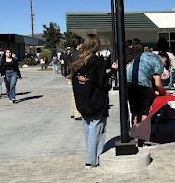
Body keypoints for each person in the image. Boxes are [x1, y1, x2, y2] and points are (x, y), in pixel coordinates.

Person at [71, 33, 116, 169]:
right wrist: (112, 71)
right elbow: (103, 83)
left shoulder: (77, 61)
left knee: (89, 129)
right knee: (97, 130)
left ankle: (96, 157)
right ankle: (91, 160)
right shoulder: (97, 62)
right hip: (96, 101)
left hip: (82, 101)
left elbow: (77, 81)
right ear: (96, 45)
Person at [126, 49, 167, 128]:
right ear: (164, 58)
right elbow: (158, 84)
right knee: (144, 111)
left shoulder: (144, 55)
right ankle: (142, 134)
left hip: (129, 81)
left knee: (135, 110)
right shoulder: (158, 62)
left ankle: (135, 132)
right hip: (143, 84)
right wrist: (164, 93)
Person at [67, 37, 84, 120]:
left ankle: (73, 112)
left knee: (74, 94)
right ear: (78, 44)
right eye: (82, 43)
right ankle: (77, 114)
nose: (83, 45)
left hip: (72, 75)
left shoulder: (71, 53)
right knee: (77, 95)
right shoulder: (77, 54)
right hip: (77, 76)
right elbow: (79, 66)